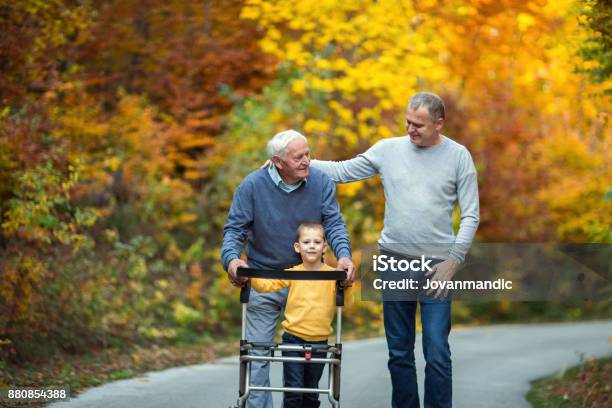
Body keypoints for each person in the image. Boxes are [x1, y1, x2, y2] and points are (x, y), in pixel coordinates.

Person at [311, 92, 480, 408]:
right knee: (399, 351)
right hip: (394, 262)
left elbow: (471, 214)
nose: (411, 129)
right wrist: (298, 162)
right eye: (408, 122)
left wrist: (453, 261)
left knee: (437, 349)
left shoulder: (458, 156)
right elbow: (342, 171)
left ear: (439, 123)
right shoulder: (388, 150)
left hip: (438, 265)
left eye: (419, 124)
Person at [221, 129, 355, 408]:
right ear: (278, 162)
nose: (308, 160)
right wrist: (233, 260)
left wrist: (344, 256)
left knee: (306, 360)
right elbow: (234, 231)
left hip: (309, 284)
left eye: (308, 153)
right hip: (265, 278)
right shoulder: (252, 186)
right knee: (258, 356)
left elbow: (334, 224)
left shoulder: (320, 182)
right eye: (299, 157)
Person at [249, 221, 353, 408]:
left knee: (311, 393)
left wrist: (346, 283)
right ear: (297, 247)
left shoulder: (332, 275)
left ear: (324, 247)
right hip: (293, 340)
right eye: (306, 242)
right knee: (294, 392)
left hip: (320, 342)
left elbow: (347, 300)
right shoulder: (293, 273)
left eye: (316, 242)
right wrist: (249, 273)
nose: (311, 246)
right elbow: (266, 285)